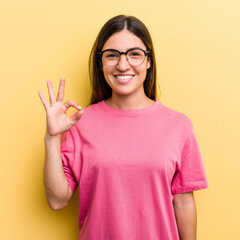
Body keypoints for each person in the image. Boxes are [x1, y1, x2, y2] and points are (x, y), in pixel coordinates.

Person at [38, 15, 208, 240]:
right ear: (100, 63)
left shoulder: (179, 125)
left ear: (149, 61)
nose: (122, 64)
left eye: (134, 54)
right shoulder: (80, 122)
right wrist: (52, 138)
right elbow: (57, 200)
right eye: (112, 56)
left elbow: (184, 203)